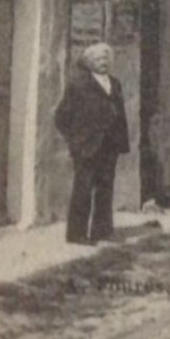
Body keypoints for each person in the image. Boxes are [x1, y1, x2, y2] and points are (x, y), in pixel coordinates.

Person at [52, 43, 130, 245]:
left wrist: (121, 140)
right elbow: (61, 117)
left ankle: (102, 230)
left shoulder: (115, 83)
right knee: (83, 188)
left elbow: (119, 113)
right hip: (86, 146)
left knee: (105, 188)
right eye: (98, 60)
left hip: (110, 145)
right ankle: (77, 234)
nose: (103, 63)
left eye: (106, 59)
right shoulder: (79, 84)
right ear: (89, 62)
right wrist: (75, 141)